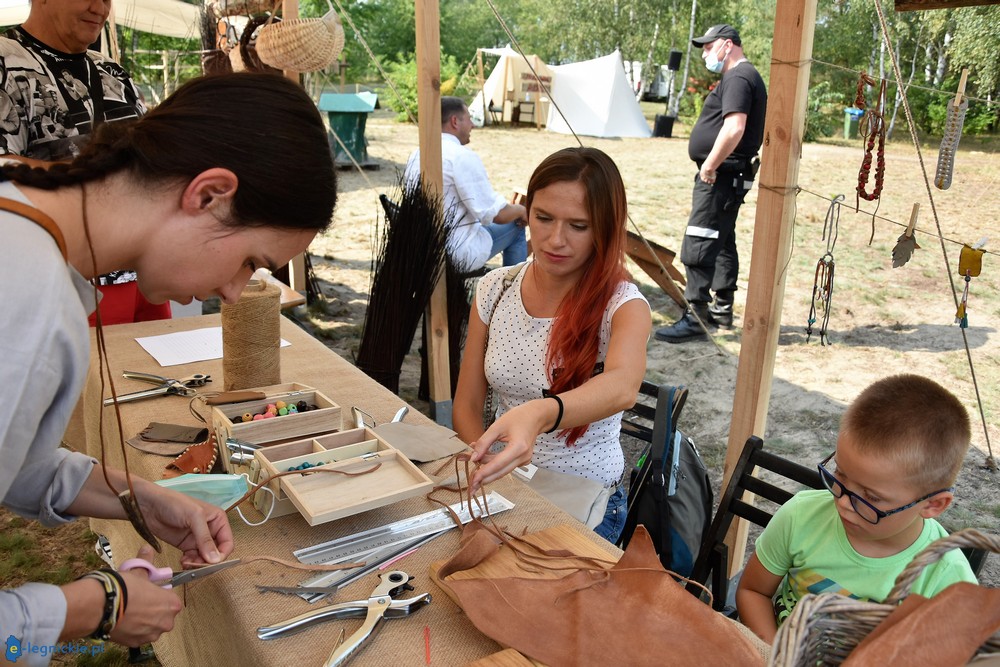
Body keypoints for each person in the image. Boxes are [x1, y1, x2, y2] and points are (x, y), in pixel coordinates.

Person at [0, 72, 338, 660]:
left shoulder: (21, 217)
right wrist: (95, 606)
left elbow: (15, 458)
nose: (235, 293)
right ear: (209, 194)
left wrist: (139, 496)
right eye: (250, 261)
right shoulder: (27, 306)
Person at [453, 147, 652, 543]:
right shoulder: (496, 288)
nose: (555, 239)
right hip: (504, 485)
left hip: (583, 497)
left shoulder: (623, 306)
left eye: (578, 225)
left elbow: (623, 386)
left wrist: (541, 413)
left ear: (605, 229)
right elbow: (467, 404)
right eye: (543, 218)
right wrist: (485, 463)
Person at [736, 374, 977, 643]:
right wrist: (775, 655)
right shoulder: (800, 516)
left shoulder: (947, 580)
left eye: (870, 497)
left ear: (932, 504)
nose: (842, 503)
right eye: (840, 473)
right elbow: (753, 591)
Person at [0, 0, 169, 325]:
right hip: (63, 278)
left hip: (140, 269)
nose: (100, 8)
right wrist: (98, 176)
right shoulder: (5, 61)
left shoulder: (111, 70)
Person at [655, 24, 767, 343]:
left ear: (727, 45)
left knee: (701, 239)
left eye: (708, 47)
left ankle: (696, 317)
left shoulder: (739, 77)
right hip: (729, 175)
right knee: (722, 240)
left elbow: (734, 127)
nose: (705, 53)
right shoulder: (740, 77)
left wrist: (710, 164)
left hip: (721, 175)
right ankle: (722, 311)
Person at [404, 96, 527, 273]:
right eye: (469, 118)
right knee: (515, 226)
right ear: (455, 121)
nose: (473, 125)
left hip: (419, 246)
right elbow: (497, 215)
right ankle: (513, 288)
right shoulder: (461, 156)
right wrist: (521, 211)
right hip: (454, 251)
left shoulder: (418, 153)